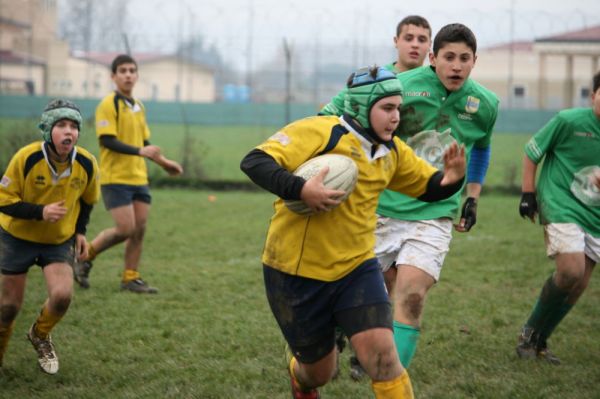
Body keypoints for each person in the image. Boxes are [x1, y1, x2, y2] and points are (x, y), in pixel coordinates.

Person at [241, 65, 466, 399]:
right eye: (387, 108)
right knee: (320, 372)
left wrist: (451, 179)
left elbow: (429, 186)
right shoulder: (321, 131)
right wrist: (301, 190)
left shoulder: (391, 151)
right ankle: (300, 379)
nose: (396, 118)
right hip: (295, 271)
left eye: (398, 109)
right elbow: (255, 161)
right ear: (361, 107)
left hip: (357, 268)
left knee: (384, 357)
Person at [321, 23, 499, 370]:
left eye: (465, 59)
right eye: (449, 57)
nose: (457, 66)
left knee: (412, 297)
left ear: (475, 61)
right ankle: (335, 334)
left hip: (435, 213)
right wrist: (319, 130)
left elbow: (482, 148)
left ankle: (389, 377)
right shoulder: (401, 85)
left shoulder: (486, 104)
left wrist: (472, 196)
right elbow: (342, 105)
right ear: (433, 58)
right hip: (382, 208)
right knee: (354, 294)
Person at [0, 99, 99, 374]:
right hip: (16, 237)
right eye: (61, 125)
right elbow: (3, 200)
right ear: (47, 130)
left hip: (57, 241)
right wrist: (40, 212)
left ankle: (40, 334)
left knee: (62, 296)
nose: (69, 132)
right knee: (7, 307)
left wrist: (80, 231)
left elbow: (89, 200)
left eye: (74, 126)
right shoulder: (26, 158)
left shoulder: (87, 163)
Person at [73, 54, 183, 294]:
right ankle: (85, 255)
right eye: (122, 70)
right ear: (113, 76)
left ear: (137, 76)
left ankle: (130, 277)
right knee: (125, 229)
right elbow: (108, 140)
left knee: (139, 229)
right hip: (116, 179)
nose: (128, 74)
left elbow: (145, 142)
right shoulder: (108, 104)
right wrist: (140, 150)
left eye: (132, 70)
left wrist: (165, 163)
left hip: (139, 178)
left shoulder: (138, 106)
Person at [515, 70, 600, 365]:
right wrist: (528, 194)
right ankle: (527, 334)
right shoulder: (569, 121)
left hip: (595, 216)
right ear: (593, 96)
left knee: (577, 286)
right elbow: (532, 151)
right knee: (571, 271)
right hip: (560, 203)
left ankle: (540, 339)